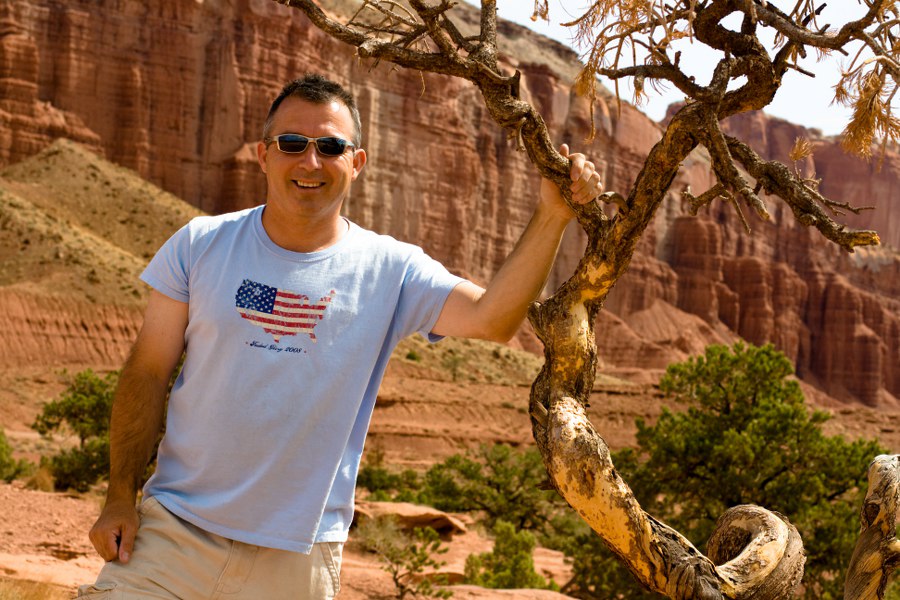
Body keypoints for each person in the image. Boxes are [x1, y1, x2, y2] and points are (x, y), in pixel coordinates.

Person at [78, 73, 603, 599]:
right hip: (172, 536)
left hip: (298, 562)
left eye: (330, 146)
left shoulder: (391, 269)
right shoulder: (200, 244)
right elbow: (147, 371)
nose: (310, 162)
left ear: (357, 163)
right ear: (263, 155)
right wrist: (119, 495)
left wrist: (552, 215)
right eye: (292, 144)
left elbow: (493, 318)